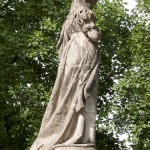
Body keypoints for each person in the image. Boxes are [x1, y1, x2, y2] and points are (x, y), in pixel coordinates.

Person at [30, 0, 100, 149]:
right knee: (80, 95)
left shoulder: (71, 17)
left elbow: (62, 46)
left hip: (72, 55)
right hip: (82, 54)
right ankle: (79, 134)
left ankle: (75, 133)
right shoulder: (85, 12)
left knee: (70, 94)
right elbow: (94, 36)